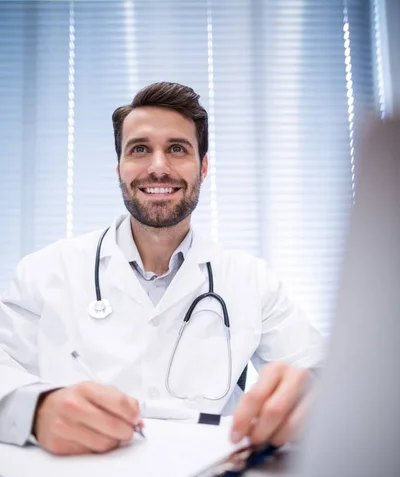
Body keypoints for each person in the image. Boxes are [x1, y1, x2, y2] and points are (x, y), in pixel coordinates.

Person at [0, 82, 323, 456]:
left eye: (177, 149)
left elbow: (322, 375)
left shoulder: (252, 281)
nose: (158, 167)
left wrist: (307, 395)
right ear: (119, 168)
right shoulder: (44, 271)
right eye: (139, 149)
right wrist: (36, 409)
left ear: (202, 168)